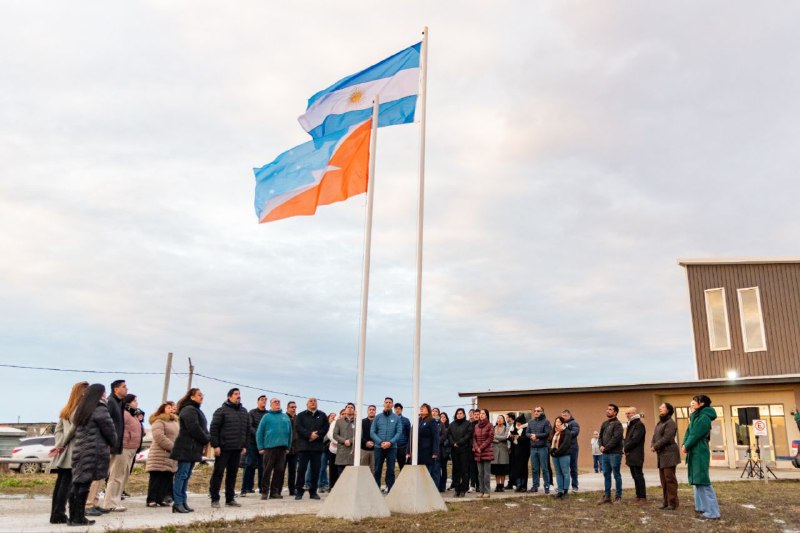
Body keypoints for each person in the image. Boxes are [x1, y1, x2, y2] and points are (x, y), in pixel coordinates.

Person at [69, 383, 118, 526]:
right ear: (100, 394)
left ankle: (73, 516)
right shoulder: (100, 409)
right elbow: (110, 431)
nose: (105, 395)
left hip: (79, 450)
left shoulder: (82, 409)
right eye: (103, 393)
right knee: (85, 485)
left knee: (77, 483)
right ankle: (79, 518)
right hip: (93, 451)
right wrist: (113, 442)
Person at [48, 381, 89, 524]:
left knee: (61, 484)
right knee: (67, 485)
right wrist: (64, 443)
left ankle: (56, 514)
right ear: (83, 392)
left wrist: (60, 444)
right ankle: (59, 515)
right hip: (74, 449)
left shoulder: (66, 409)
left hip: (65, 451)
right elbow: (74, 430)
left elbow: (58, 429)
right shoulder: (80, 409)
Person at [208, 388, 249, 508]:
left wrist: (244, 445)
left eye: (239, 394)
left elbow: (246, 430)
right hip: (223, 448)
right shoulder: (221, 411)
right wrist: (215, 445)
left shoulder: (243, 411)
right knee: (218, 473)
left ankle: (230, 499)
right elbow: (213, 429)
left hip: (237, 448)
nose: (238, 396)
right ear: (229, 397)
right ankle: (214, 498)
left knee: (232, 474)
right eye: (236, 394)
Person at [170, 388, 209, 513]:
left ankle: (183, 501)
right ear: (192, 397)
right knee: (181, 475)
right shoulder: (188, 410)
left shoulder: (196, 410)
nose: (201, 397)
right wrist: (205, 438)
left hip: (193, 449)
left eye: (202, 395)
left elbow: (203, 427)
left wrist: (208, 437)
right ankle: (177, 502)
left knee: (186, 476)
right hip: (186, 448)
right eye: (199, 395)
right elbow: (194, 428)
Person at [682, 394, 721, 520]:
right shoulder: (696, 417)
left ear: (702, 403)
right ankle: (702, 507)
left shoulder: (703, 418)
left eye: (695, 401)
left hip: (699, 450)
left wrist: (686, 445)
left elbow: (695, 434)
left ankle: (713, 511)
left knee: (703, 481)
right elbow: (689, 433)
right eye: (692, 401)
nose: (692, 403)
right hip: (695, 450)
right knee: (697, 480)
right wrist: (684, 444)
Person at [100, 379, 128, 512]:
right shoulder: (111, 402)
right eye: (123, 387)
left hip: (117, 444)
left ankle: (114, 501)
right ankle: (108, 503)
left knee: (117, 475)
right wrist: (110, 441)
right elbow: (106, 423)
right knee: (110, 475)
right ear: (116, 389)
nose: (126, 389)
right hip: (111, 444)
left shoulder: (120, 403)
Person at [256, 397, 292, 499]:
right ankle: (264, 492)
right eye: (274, 402)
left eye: (278, 401)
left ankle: (274, 492)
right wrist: (260, 447)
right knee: (267, 471)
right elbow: (259, 433)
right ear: (270, 405)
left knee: (279, 471)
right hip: (269, 448)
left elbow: (290, 433)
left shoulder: (285, 417)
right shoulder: (266, 417)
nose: (277, 403)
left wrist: (288, 446)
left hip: (282, 448)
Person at [145, 401, 179, 507]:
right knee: (156, 477)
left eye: (171, 407)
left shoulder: (174, 422)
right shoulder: (159, 421)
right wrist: (173, 447)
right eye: (168, 407)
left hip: (170, 455)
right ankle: (151, 499)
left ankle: (161, 498)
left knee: (166, 477)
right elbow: (159, 437)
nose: (170, 409)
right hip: (159, 454)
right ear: (163, 409)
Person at [294, 397, 329, 500]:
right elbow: (298, 428)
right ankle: (299, 492)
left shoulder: (322, 415)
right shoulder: (301, 415)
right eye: (311, 401)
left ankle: (313, 492)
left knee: (315, 470)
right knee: (301, 470)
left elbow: (325, 427)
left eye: (315, 401)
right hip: (304, 447)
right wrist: (309, 435)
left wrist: (317, 435)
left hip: (317, 447)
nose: (313, 403)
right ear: (307, 404)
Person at [651, 402, 680, 511]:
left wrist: (656, 446)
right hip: (661, 454)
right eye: (660, 407)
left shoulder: (670, 423)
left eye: (663, 407)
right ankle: (666, 502)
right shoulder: (659, 423)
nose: (660, 408)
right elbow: (655, 436)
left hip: (670, 454)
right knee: (663, 480)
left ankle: (673, 503)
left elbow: (667, 437)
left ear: (668, 410)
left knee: (670, 479)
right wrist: (652, 444)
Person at [370, 397, 402, 493]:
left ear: (392, 405)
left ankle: (390, 488)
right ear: (383, 404)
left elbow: (399, 432)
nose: (388, 404)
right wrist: (380, 442)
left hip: (392, 448)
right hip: (378, 447)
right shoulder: (378, 417)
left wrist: (390, 442)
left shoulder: (396, 418)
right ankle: (376, 488)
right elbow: (372, 432)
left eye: (390, 402)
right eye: (386, 402)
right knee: (377, 468)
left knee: (391, 469)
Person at [407, 403, 440, 486]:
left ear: (428, 410)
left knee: (426, 473)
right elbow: (411, 436)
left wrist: (435, 452)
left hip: (427, 452)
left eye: (424, 408)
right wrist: (408, 451)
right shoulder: (417, 421)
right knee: (417, 474)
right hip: (416, 452)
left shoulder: (431, 421)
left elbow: (436, 437)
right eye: (421, 408)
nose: (421, 409)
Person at [241, 395, 267, 497]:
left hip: (264, 444)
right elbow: (250, 426)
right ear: (258, 402)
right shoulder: (252, 413)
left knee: (262, 466)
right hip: (252, 443)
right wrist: (258, 435)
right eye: (262, 400)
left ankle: (262, 488)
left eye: (265, 400)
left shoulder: (267, 414)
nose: (263, 401)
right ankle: (245, 488)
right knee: (249, 465)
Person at [598, 403, 624, 504]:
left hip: (615, 454)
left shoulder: (618, 424)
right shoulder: (605, 423)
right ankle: (607, 496)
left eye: (610, 409)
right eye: (607, 409)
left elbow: (616, 439)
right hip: (605, 454)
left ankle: (618, 496)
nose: (607, 411)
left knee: (616, 475)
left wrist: (605, 448)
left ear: (615, 412)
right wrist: (600, 445)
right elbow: (600, 436)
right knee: (606, 474)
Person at [623, 406, 647, 504]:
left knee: (638, 475)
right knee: (634, 476)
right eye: (626, 413)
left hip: (636, 454)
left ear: (634, 413)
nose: (627, 415)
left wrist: (625, 447)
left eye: (629, 413)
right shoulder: (631, 424)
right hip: (631, 454)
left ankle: (643, 497)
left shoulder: (639, 424)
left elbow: (635, 440)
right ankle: (638, 496)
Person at [447, 408, 472, 497]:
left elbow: (468, 435)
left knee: (464, 470)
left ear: (464, 415)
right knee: (456, 470)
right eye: (458, 413)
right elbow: (449, 435)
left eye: (461, 413)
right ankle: (457, 489)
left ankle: (463, 489)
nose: (459, 415)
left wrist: (459, 442)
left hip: (464, 450)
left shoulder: (468, 424)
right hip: (454, 450)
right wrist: (453, 443)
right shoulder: (451, 425)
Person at [527, 406, 552, 494]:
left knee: (544, 468)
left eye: (538, 411)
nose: (536, 412)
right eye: (535, 411)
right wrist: (531, 436)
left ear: (542, 412)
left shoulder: (546, 422)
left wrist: (537, 436)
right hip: (533, 448)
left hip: (542, 448)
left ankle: (547, 486)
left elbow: (547, 433)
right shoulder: (531, 422)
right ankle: (535, 486)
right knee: (534, 469)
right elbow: (527, 432)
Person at [472, 408, 494, 498]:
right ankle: (481, 491)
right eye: (480, 413)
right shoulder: (476, 426)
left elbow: (490, 438)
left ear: (486, 415)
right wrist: (476, 447)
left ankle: (487, 492)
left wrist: (481, 447)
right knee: (480, 474)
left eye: (483, 413)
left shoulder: (490, 425)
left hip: (486, 451)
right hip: (478, 452)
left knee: (486, 474)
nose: (481, 415)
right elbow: (473, 438)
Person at [550, 416, 573, 499]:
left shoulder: (567, 432)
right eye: (556, 421)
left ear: (563, 423)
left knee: (565, 473)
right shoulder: (554, 432)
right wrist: (551, 451)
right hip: (555, 455)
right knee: (558, 473)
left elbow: (565, 445)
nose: (557, 423)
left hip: (564, 455)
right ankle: (560, 491)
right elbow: (549, 441)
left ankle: (565, 491)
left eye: (559, 422)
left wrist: (556, 452)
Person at [333, 403, 356, 474]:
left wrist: (350, 440)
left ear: (354, 411)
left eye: (351, 407)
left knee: (351, 475)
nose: (349, 408)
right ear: (345, 410)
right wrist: (344, 441)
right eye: (348, 407)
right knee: (341, 475)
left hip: (352, 452)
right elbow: (335, 434)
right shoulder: (339, 422)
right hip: (341, 452)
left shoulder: (358, 422)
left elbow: (359, 435)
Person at [561, 409, 580, 492]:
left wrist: (565, 431)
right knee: (564, 468)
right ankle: (564, 487)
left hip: (572, 448)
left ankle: (575, 486)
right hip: (564, 448)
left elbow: (575, 433)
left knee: (573, 467)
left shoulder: (574, 423)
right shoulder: (561, 424)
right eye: (562, 416)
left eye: (565, 416)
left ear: (569, 415)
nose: (563, 417)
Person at [509, 414, 529, 492]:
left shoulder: (526, 429)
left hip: (524, 452)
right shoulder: (515, 429)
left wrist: (519, 438)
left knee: (523, 469)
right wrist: (511, 437)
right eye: (517, 422)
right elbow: (511, 439)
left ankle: (524, 486)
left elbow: (527, 439)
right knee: (516, 469)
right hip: (516, 452)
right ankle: (518, 484)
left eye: (519, 422)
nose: (518, 423)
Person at [491, 414, 510, 492]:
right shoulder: (493, 428)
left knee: (503, 469)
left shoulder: (506, 428)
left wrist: (495, 438)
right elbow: (491, 438)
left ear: (503, 420)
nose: (499, 420)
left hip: (503, 451)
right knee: (496, 469)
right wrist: (498, 440)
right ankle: (497, 485)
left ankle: (502, 485)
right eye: (498, 418)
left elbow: (506, 437)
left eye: (501, 418)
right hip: (495, 450)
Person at [283, 401, 299, 495]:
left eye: (295, 407)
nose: (293, 409)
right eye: (292, 407)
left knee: (292, 471)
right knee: (281, 469)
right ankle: (277, 490)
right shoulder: (284, 417)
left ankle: (292, 490)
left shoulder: (298, 419)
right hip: (285, 448)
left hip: (295, 448)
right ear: (287, 408)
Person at [394, 403, 411, 471]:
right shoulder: (390, 419)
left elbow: (409, 434)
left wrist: (408, 447)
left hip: (402, 447)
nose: (397, 410)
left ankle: (404, 481)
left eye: (399, 409)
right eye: (396, 409)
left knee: (403, 466)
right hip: (393, 446)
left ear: (401, 410)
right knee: (391, 466)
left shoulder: (406, 420)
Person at [360, 404, 377, 473]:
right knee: (363, 469)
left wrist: (374, 443)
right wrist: (365, 442)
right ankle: (363, 484)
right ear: (367, 411)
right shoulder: (362, 422)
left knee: (374, 469)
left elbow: (380, 434)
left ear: (375, 412)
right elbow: (359, 435)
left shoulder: (378, 422)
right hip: (364, 449)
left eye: (373, 410)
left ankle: (372, 484)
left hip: (375, 449)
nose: (371, 411)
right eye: (370, 409)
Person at [437, 411, 451, 492]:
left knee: (444, 469)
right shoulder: (437, 426)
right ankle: (438, 485)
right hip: (438, 451)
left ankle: (443, 486)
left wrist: (442, 442)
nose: (442, 418)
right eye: (441, 417)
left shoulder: (448, 428)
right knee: (437, 469)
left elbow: (448, 439)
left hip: (445, 451)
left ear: (446, 419)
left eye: (444, 417)